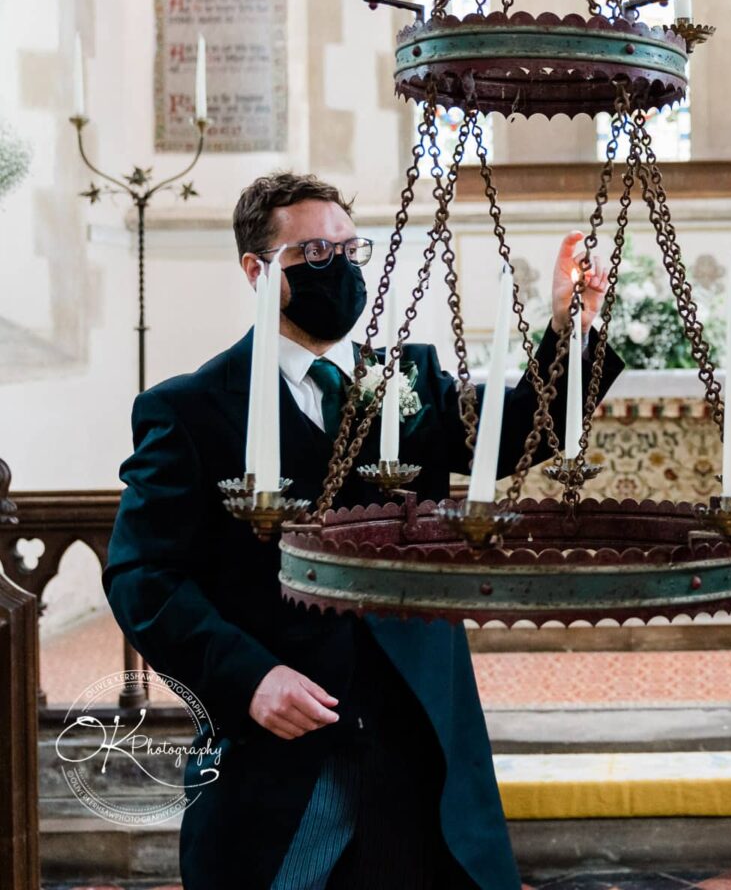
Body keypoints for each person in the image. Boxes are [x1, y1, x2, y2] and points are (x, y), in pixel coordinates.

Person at [104, 171, 622, 889]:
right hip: (286, 734)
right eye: (316, 254)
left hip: (418, 724)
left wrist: (572, 329)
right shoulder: (190, 411)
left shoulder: (410, 379)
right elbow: (142, 578)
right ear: (258, 270)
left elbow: (516, 437)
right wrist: (247, 678)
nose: (341, 270)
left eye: (351, 250)